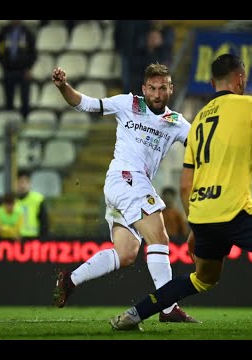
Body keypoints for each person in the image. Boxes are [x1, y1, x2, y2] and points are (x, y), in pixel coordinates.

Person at [110, 53, 252, 334]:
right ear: (240, 79)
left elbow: (185, 184)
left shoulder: (199, 120)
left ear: (211, 82)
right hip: (236, 209)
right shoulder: (251, 105)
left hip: (203, 215)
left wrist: (195, 226)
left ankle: (135, 313)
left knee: (202, 279)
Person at [50, 63, 199, 323]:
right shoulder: (128, 104)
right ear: (144, 89)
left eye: (162, 88)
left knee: (127, 253)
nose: (156, 94)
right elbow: (85, 103)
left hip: (127, 188)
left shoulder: (175, 122)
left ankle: (70, 279)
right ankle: (167, 307)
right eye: (151, 88)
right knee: (160, 237)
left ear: (171, 89)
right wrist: (64, 87)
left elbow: (200, 142)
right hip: (126, 178)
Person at [0, 20, 37, 118]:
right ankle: (10, 124)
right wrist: (3, 62)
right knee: (9, 101)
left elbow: (33, 53)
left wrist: (28, 68)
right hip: (8, 71)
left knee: (25, 101)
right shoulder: (4, 32)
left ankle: (24, 122)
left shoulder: (27, 32)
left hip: (23, 71)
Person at [15, 170, 48, 240]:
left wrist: (42, 238)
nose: (22, 185)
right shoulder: (11, 200)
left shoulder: (38, 199)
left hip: (33, 239)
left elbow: (44, 221)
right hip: (15, 239)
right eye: (20, 182)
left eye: (25, 182)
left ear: (29, 183)